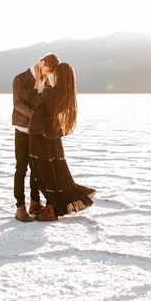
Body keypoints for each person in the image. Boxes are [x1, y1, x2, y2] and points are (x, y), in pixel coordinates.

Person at [28, 62, 96, 221]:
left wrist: (38, 79)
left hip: (43, 137)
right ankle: (52, 206)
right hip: (52, 138)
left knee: (44, 171)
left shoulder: (52, 92)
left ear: (59, 76)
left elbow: (34, 100)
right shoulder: (65, 93)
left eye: (55, 74)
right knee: (54, 171)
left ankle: (52, 209)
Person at [12, 53, 60, 222]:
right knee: (22, 167)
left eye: (50, 72)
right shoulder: (20, 79)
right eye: (48, 70)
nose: (48, 74)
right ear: (41, 63)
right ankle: (20, 208)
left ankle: (34, 202)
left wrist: (50, 82)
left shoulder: (46, 80)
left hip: (38, 131)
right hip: (23, 129)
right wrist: (35, 116)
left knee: (36, 168)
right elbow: (18, 104)